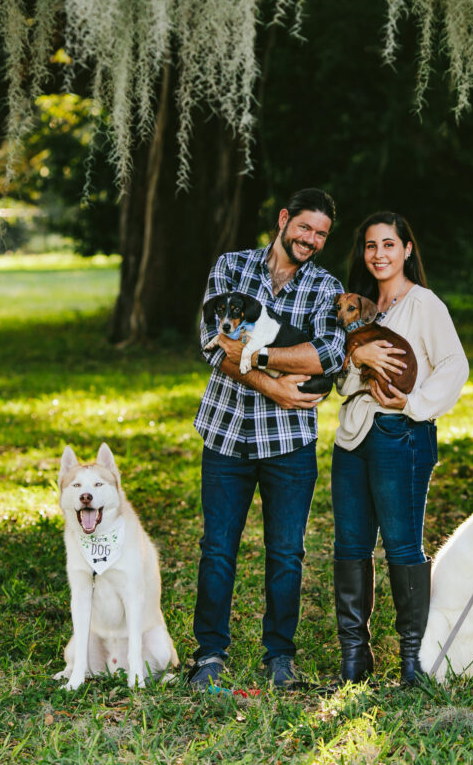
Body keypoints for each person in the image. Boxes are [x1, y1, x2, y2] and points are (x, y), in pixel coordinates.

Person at [189, 188, 345, 690]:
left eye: (321, 234)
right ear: (284, 220)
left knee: (286, 553)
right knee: (217, 549)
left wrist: (254, 357)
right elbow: (213, 344)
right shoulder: (232, 267)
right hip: (227, 432)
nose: (311, 240)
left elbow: (327, 357)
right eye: (305, 228)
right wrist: (276, 384)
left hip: (290, 443)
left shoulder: (325, 286)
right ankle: (210, 655)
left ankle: (280, 658)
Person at [332, 211, 469, 685]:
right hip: (352, 435)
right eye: (371, 246)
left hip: (401, 435)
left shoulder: (424, 304)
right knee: (350, 546)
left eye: (389, 244)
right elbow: (344, 381)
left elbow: (455, 365)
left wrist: (414, 403)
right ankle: (356, 656)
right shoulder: (358, 306)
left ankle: (413, 660)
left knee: (402, 545)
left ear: (407, 249)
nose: (379, 254)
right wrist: (355, 356)